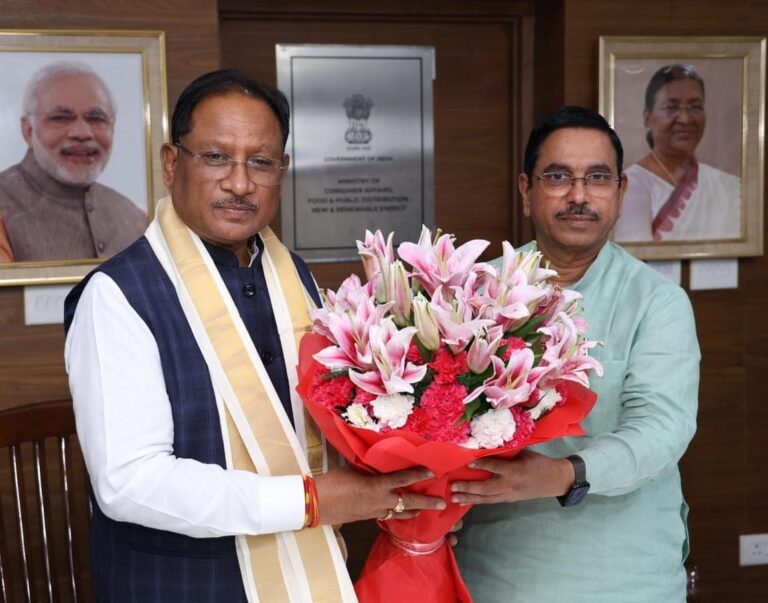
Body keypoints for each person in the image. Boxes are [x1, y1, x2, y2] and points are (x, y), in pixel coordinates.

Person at [64, 70, 443, 602]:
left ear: (282, 171)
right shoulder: (118, 295)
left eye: (260, 162)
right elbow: (129, 482)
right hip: (184, 585)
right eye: (216, 157)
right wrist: (311, 501)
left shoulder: (292, 275)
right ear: (171, 163)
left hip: (304, 565)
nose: (240, 184)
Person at [452, 106, 700, 601]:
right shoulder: (472, 293)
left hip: (625, 575)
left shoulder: (657, 302)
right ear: (526, 191)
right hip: (495, 569)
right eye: (558, 176)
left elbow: (661, 429)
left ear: (620, 192)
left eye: (597, 178)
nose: (579, 195)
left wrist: (566, 473)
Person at [0, 60, 146, 262]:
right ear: (28, 130)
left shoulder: (133, 217)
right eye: (60, 118)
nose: (82, 133)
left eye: (96, 119)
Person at [614, 64, 741, 243]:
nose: (685, 119)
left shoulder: (730, 188)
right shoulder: (631, 187)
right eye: (671, 107)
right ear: (648, 118)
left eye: (695, 106)